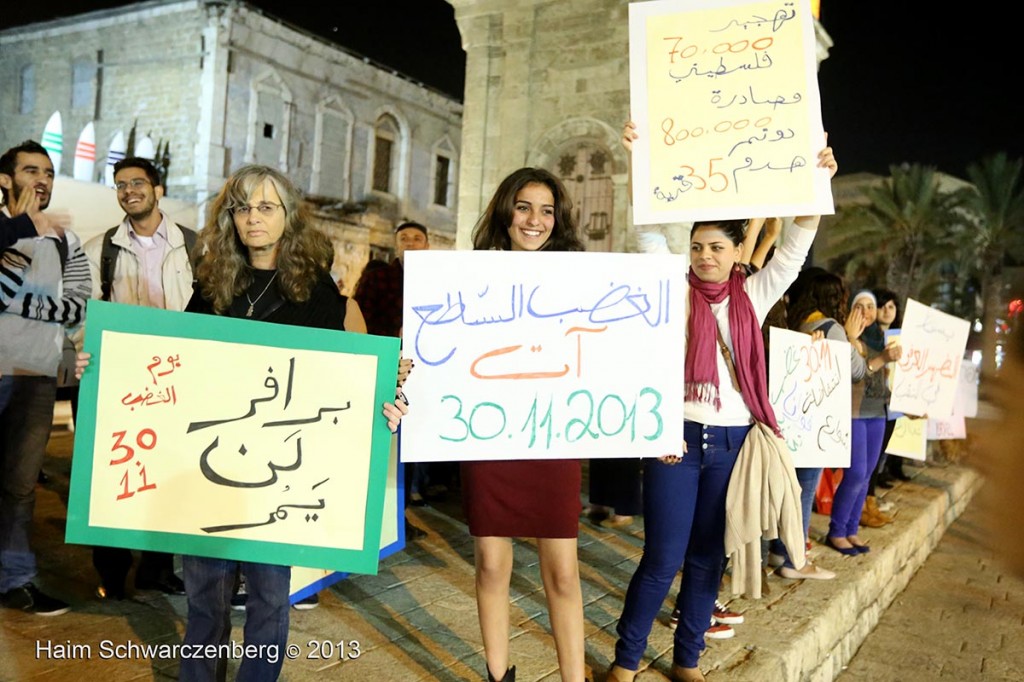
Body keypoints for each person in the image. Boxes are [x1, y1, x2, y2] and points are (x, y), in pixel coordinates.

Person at [77, 164, 408, 679]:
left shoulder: (320, 295)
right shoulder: (212, 287)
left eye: (266, 206)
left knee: (270, 606)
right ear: (230, 216)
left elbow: (352, 385)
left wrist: (388, 393)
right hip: (209, 477)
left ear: (289, 216)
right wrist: (104, 367)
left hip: (279, 484)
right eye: (243, 206)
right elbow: (175, 364)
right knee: (205, 604)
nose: (253, 217)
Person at [609, 122, 837, 682]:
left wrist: (815, 180)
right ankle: (626, 661)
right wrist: (640, 158)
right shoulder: (670, 285)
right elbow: (645, 230)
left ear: (737, 252)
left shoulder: (753, 294)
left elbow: (794, 250)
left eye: (715, 247)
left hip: (734, 444)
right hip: (675, 439)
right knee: (662, 558)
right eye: (696, 247)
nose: (704, 256)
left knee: (708, 556)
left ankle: (687, 659)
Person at [463, 167, 586, 682]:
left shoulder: (581, 276)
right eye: (524, 207)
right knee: (491, 564)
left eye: (547, 210)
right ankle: (497, 677)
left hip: (553, 435)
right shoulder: (468, 276)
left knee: (562, 571)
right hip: (489, 434)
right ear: (504, 212)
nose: (535, 220)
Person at [83, 156, 196, 599]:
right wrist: (88, 355)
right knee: (113, 474)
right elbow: (82, 312)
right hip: (119, 379)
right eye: (120, 185)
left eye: (137, 183)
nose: (129, 190)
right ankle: (111, 572)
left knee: (168, 472)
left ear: (158, 189)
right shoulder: (100, 248)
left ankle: (157, 568)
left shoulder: (195, 245)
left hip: (178, 378)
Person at [0, 140, 90, 617]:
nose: (43, 180)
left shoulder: (67, 241)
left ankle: (17, 579)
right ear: (6, 179)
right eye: (31, 170)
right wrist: (24, 237)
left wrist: (20, 305)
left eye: (50, 173)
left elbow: (77, 305)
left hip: (35, 376)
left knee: (19, 487)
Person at [767, 268, 864, 580]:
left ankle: (778, 549)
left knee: (785, 490)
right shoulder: (832, 329)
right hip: (814, 425)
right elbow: (857, 371)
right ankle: (795, 559)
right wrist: (850, 338)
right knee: (803, 491)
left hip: (787, 420)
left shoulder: (792, 322)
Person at [825, 291, 901, 556]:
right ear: (849, 310)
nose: (867, 311)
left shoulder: (879, 339)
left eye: (871, 306)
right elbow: (854, 373)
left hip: (877, 412)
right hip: (854, 413)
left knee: (867, 475)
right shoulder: (845, 339)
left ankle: (851, 528)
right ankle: (836, 531)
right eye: (860, 306)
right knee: (856, 473)